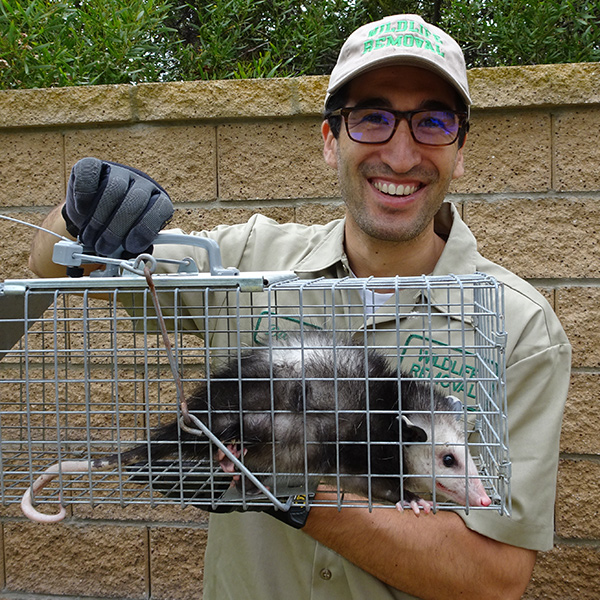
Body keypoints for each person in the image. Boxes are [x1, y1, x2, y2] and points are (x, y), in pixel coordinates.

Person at [29, 14, 571, 600]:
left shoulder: (519, 327)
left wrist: (286, 486)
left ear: (460, 151)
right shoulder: (242, 260)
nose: (401, 152)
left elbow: (493, 582)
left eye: (434, 122)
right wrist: (83, 212)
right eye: (372, 118)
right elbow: (56, 269)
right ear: (329, 139)